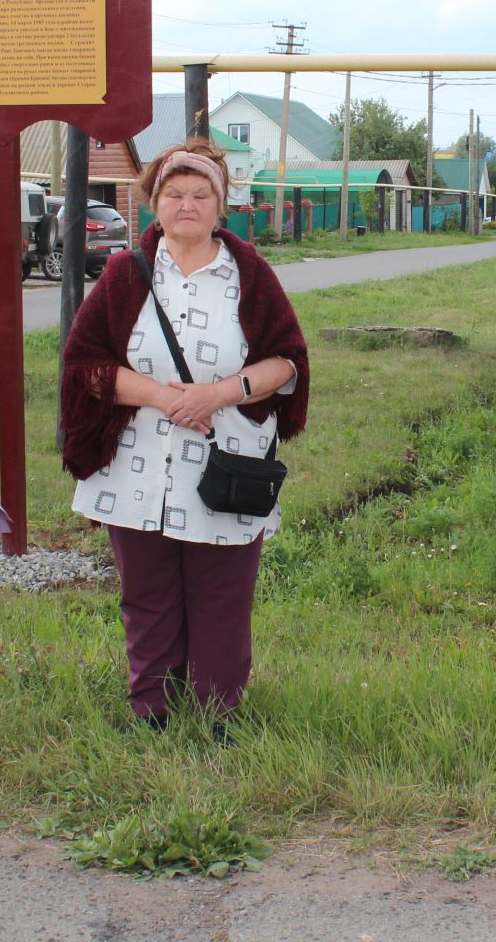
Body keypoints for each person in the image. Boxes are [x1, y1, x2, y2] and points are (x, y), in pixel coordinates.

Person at [60, 141, 309, 741]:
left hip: (225, 464)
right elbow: (83, 367)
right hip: (137, 468)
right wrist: (163, 396)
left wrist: (219, 394)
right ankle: (152, 709)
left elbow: (288, 363)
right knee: (147, 594)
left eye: (202, 195)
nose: (187, 204)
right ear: (154, 202)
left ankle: (219, 713)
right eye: (175, 193)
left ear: (221, 206)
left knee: (221, 595)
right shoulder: (124, 275)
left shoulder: (250, 276)